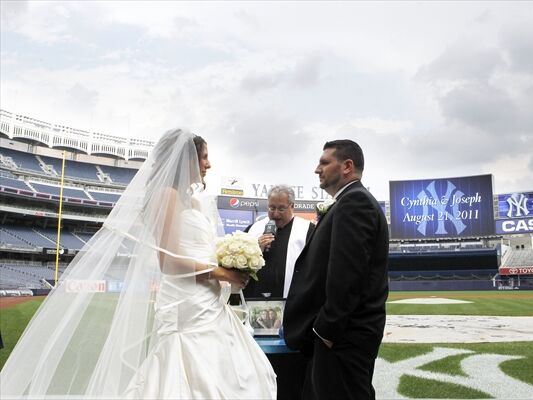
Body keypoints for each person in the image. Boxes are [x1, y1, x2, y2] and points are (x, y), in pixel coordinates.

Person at [0, 129, 276, 399]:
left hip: (209, 299)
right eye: (203, 157)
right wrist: (220, 271)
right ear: (186, 160)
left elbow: (202, 247)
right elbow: (167, 261)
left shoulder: (194, 200)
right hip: (187, 301)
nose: (209, 164)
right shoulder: (165, 195)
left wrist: (233, 261)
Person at [283, 139, 389, 400]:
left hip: (343, 336)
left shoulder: (355, 203)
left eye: (324, 162)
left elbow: (347, 274)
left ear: (347, 167)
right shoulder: (350, 202)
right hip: (343, 335)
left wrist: (327, 330)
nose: (317, 169)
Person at [244, 184, 315, 299]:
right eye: (272, 208)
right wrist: (256, 248)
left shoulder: (308, 230)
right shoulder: (254, 229)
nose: (275, 214)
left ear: (292, 206)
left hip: (292, 299)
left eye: (281, 209)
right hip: (255, 297)